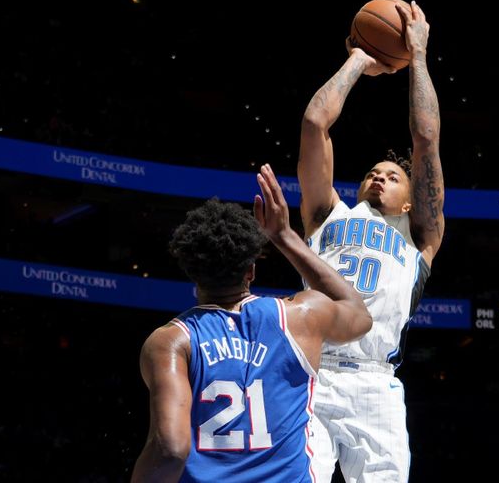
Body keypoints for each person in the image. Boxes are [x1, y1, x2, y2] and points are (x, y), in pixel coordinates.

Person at [131, 163, 372, 483]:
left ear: (190, 271)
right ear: (251, 271)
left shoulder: (171, 341)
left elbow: (171, 449)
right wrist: (285, 237)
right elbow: (359, 314)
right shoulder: (300, 317)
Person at [298, 0, 444, 482]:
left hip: (373, 385)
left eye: (392, 177)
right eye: (372, 173)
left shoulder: (418, 236)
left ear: (410, 200)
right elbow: (316, 123)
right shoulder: (326, 214)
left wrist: (417, 55)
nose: (380, 178)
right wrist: (359, 59)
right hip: (310, 374)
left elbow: (426, 140)